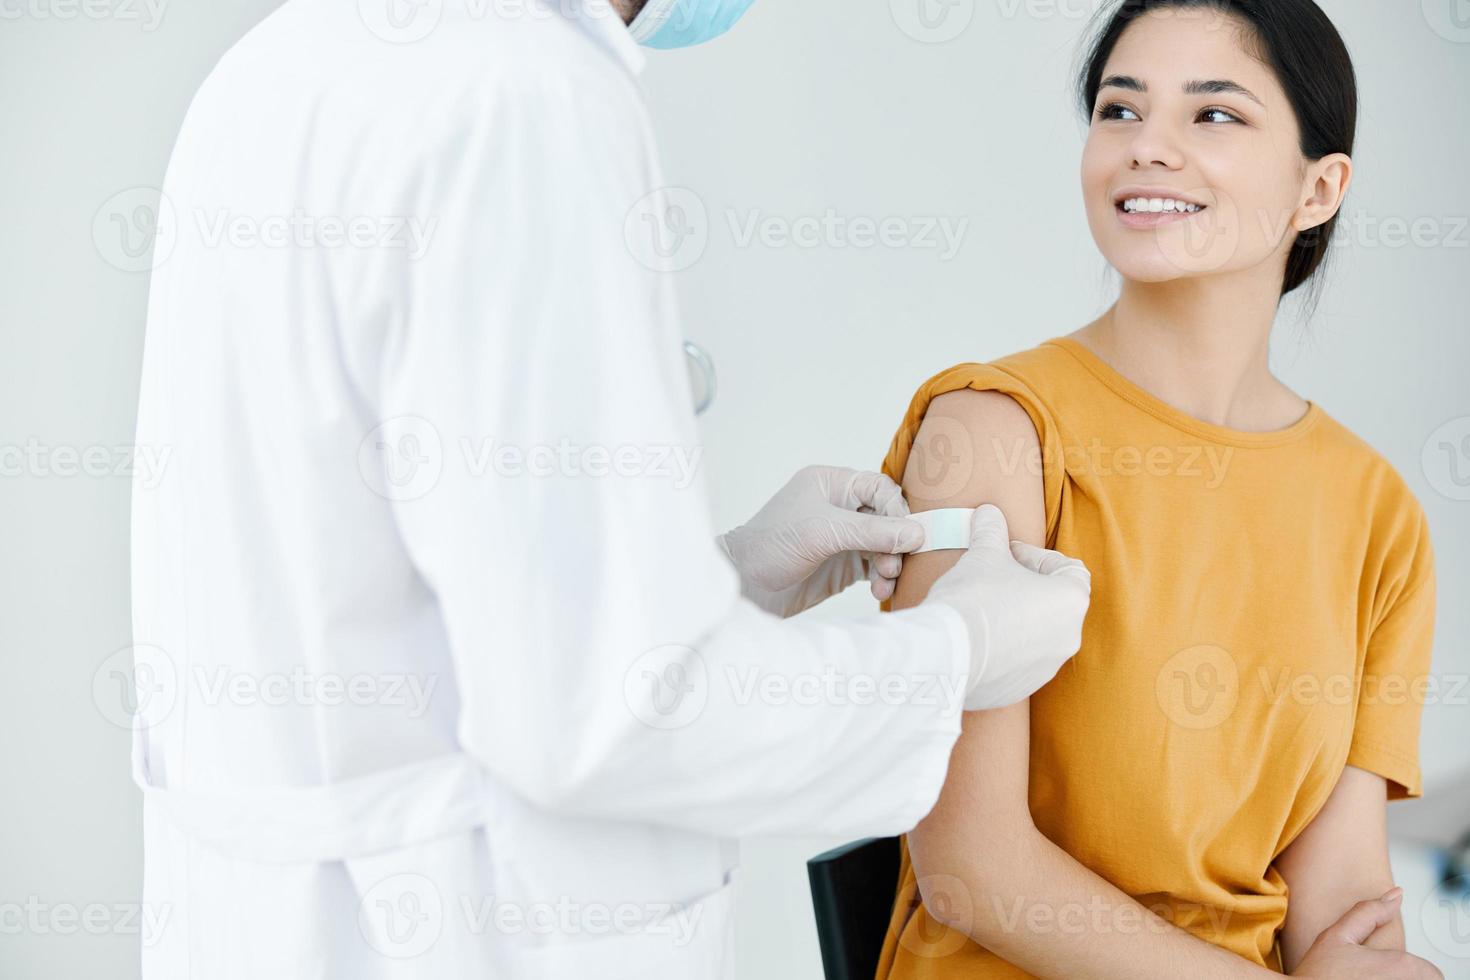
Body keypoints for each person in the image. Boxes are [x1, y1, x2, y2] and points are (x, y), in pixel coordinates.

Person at [127, 1, 1094, 977]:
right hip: (451, 925)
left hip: (280, 918)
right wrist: (951, 653)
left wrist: (730, 577)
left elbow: (411, 586)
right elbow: (603, 718)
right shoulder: (524, 94)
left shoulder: (287, 59)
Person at [869, 1, 1442, 978]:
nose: (1147, 149)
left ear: (1319, 187)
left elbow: (1341, 905)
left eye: (1213, 115)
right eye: (1119, 110)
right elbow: (972, 867)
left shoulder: (1374, 510)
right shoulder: (994, 430)